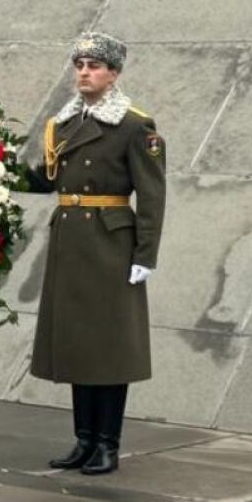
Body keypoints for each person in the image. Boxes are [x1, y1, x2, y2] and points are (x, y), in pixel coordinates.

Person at [25, 32, 166, 475]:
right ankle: (83, 440)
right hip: (70, 243)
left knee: (109, 347)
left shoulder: (133, 125)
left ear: (114, 73)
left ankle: (107, 443)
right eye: (80, 65)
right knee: (79, 345)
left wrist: (146, 253)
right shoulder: (63, 124)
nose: (84, 73)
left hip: (110, 245)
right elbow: (49, 181)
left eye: (94, 66)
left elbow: (152, 194)